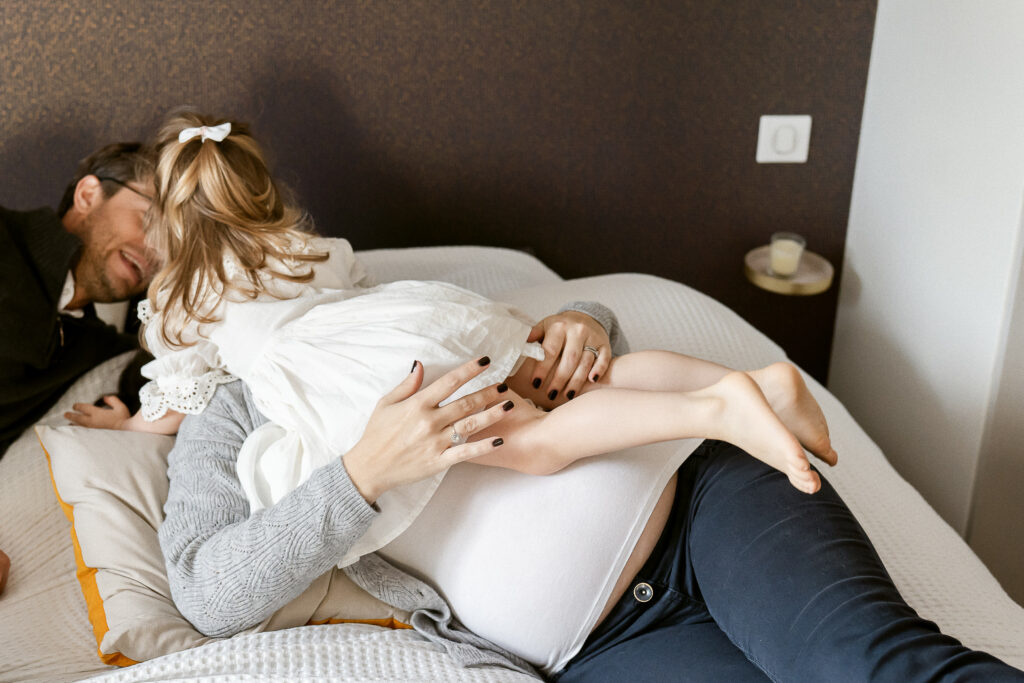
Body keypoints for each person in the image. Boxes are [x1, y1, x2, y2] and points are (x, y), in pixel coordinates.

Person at [69, 112, 844, 567]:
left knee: (537, 442)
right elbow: (350, 288)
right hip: (421, 322)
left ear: (169, 221)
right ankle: (759, 381)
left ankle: (718, 407)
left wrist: (130, 422)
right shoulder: (309, 249)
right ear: (259, 195)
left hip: (363, 378)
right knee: (571, 380)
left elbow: (181, 394)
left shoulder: (176, 301)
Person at [0, 141, 156, 598]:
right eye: (147, 221)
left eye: (173, 247)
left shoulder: (94, 348)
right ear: (89, 195)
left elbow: (172, 373)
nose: (154, 252)